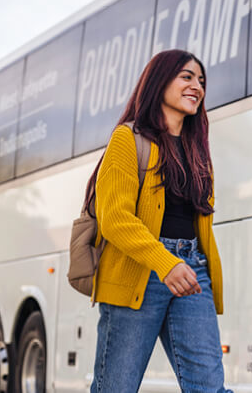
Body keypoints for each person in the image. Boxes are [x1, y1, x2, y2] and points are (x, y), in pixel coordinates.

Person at [85, 49, 229, 392]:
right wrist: (164, 263)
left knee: (209, 386)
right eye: (187, 77)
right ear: (160, 81)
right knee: (116, 387)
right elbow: (114, 218)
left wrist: (192, 264)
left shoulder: (198, 151)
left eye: (202, 80)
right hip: (140, 271)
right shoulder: (128, 138)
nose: (197, 86)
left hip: (191, 270)